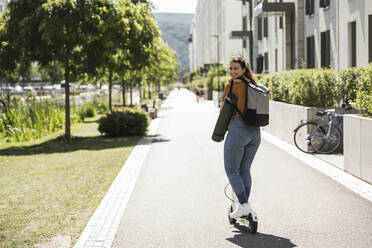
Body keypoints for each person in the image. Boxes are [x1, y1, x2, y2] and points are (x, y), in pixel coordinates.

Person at [221, 56, 261, 219]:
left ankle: (244, 204)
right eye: (230, 68)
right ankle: (243, 205)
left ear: (244, 69)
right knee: (244, 170)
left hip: (238, 129)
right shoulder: (253, 84)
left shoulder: (232, 84)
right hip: (255, 132)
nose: (232, 72)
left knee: (231, 170)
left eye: (236, 68)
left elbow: (223, 107)